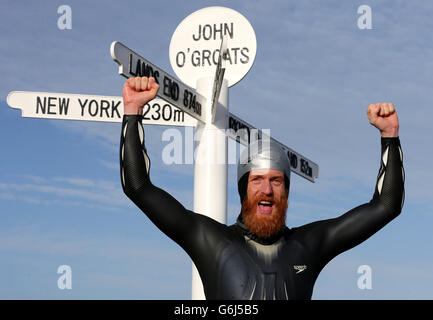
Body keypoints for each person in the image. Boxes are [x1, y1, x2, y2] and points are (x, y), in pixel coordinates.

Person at [119, 76, 405, 300]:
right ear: (243, 189)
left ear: (287, 191)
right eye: (257, 180)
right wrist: (132, 111)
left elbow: (386, 205)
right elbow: (138, 187)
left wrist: (389, 135)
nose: (266, 190)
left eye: (276, 180)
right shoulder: (209, 239)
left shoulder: (310, 245)